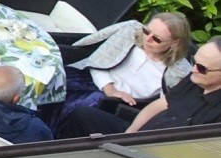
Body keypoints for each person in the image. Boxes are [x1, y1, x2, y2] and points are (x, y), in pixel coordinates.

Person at [59, 36, 221, 137]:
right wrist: (130, 132)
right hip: (138, 135)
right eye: (194, 62)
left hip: (154, 157)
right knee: (81, 114)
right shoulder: (194, 80)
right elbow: (160, 104)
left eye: (202, 68)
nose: (193, 69)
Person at [52, 14, 192, 130]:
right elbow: (98, 62)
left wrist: (113, 95)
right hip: (92, 77)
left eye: (157, 39)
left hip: (117, 103)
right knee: (53, 79)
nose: (148, 39)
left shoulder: (178, 73)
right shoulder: (130, 34)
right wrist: (109, 88)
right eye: (146, 31)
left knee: (84, 102)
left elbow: (164, 106)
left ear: (175, 43)